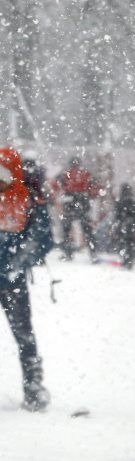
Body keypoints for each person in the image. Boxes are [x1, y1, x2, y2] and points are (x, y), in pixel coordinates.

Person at [1, 148, 54, 411]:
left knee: (24, 335)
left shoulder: (29, 200)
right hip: (11, 276)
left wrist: (17, 264)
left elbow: (42, 238)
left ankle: (33, 386)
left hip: (12, 280)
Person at [52, 156, 103, 262]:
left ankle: (68, 253)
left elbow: (55, 184)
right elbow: (95, 186)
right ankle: (93, 254)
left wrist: (61, 192)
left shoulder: (65, 174)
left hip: (69, 202)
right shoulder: (86, 174)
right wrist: (90, 195)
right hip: (83, 203)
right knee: (87, 230)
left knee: (66, 230)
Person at [113, 183, 135, 269]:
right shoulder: (134, 202)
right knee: (131, 244)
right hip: (131, 227)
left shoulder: (120, 202)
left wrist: (119, 224)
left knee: (122, 243)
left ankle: (125, 259)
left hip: (123, 226)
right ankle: (129, 260)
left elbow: (117, 216)